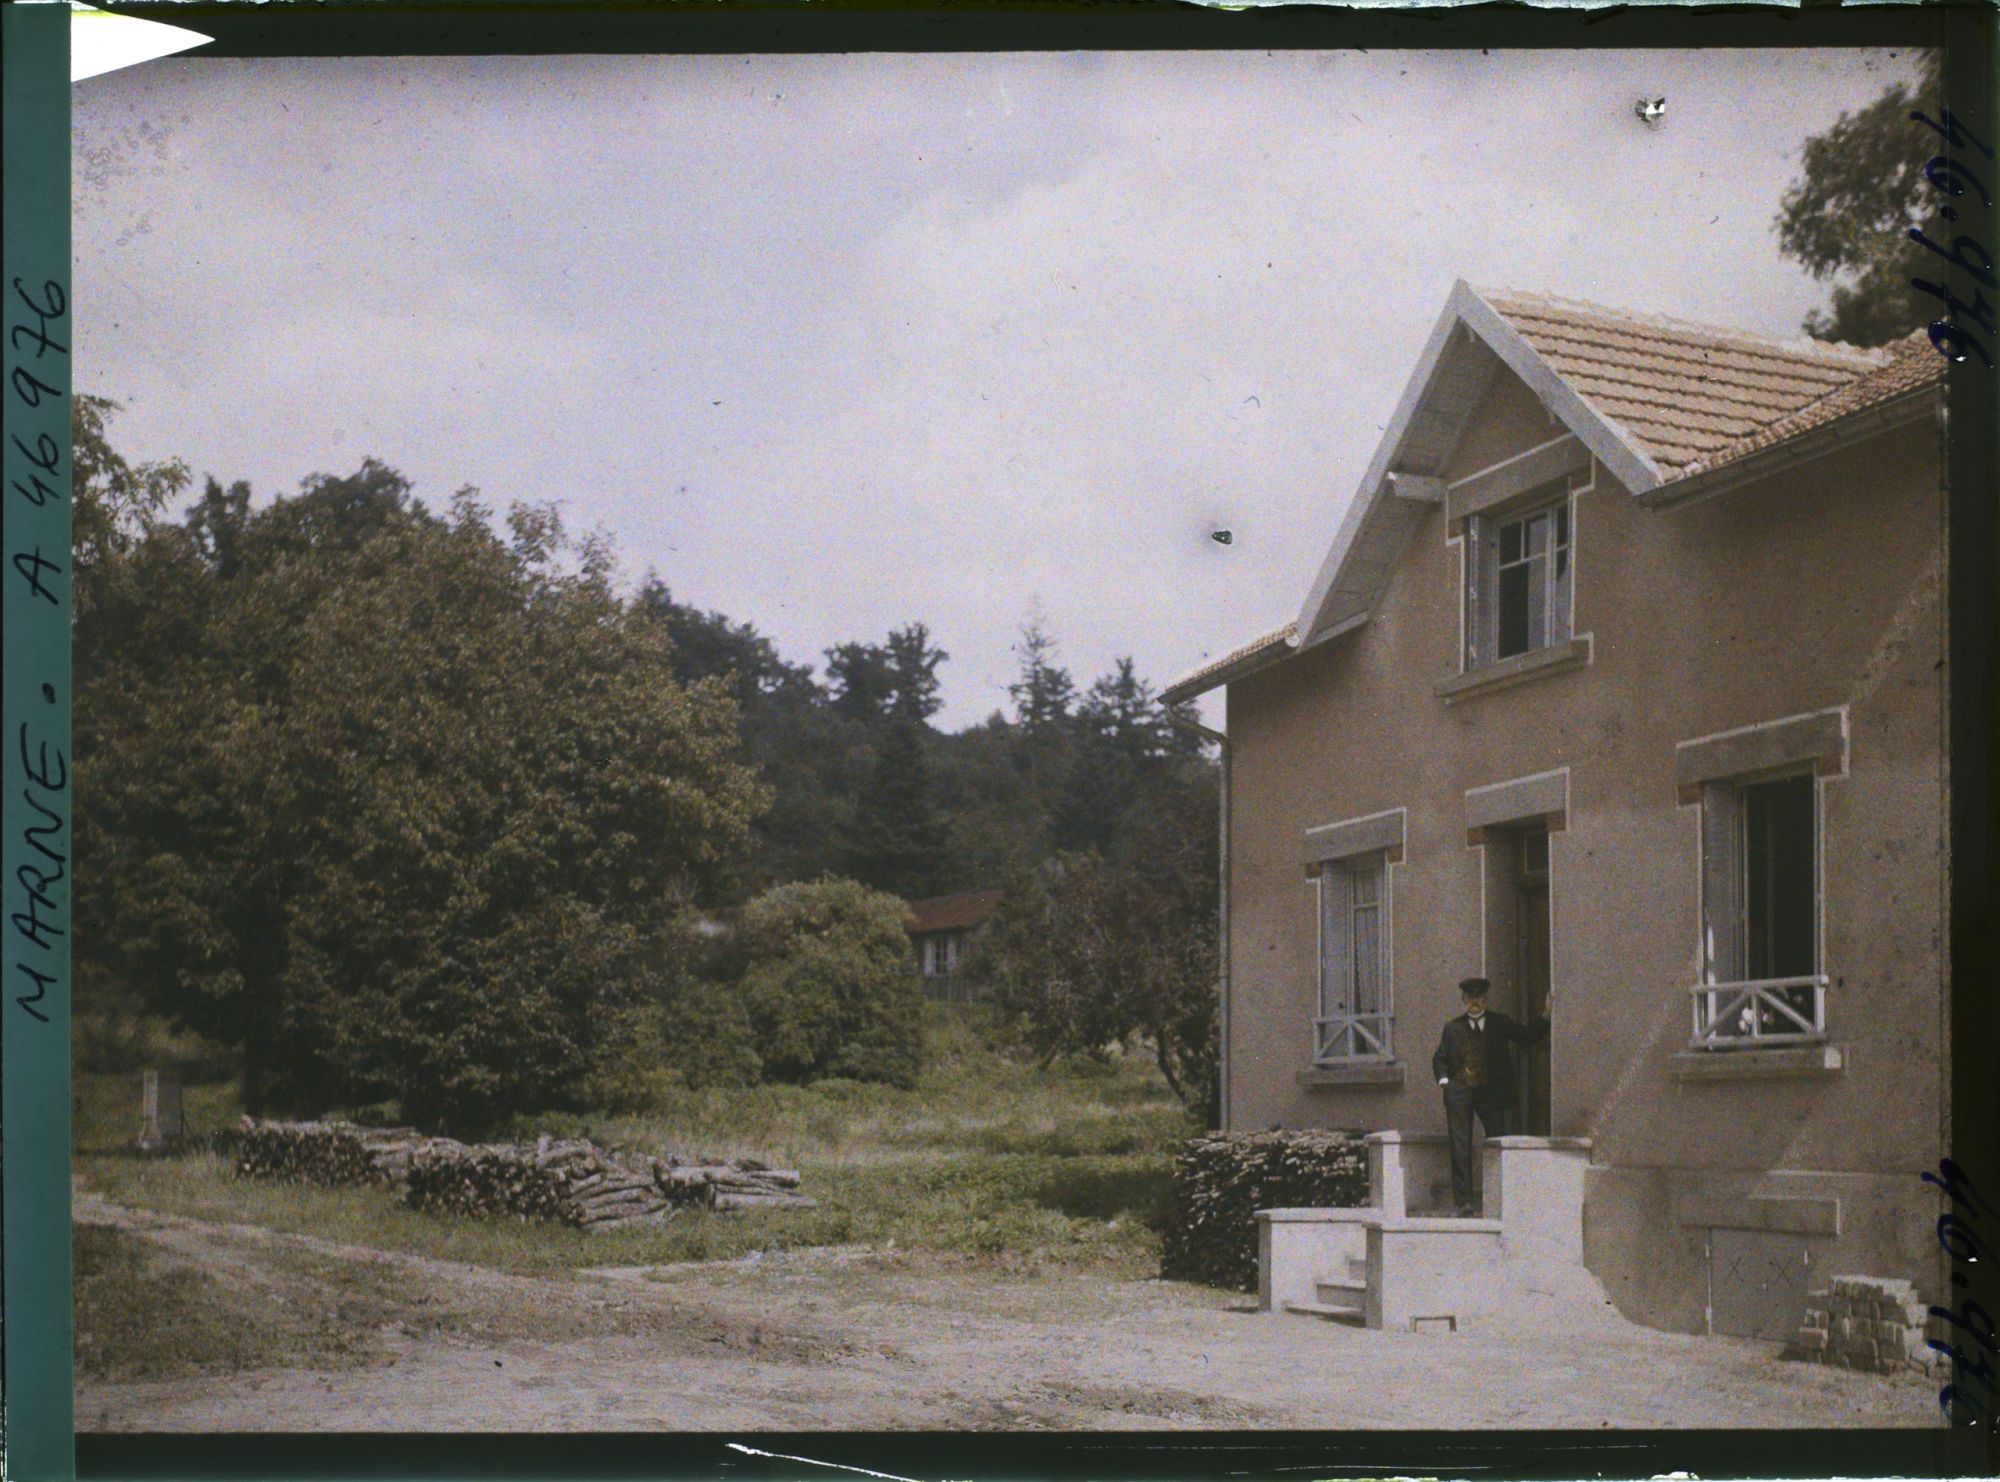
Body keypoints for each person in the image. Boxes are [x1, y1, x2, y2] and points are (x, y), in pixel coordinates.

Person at [1432, 976, 1550, 1217]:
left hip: (1491, 1092)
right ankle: (1464, 1203)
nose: (1474, 1002)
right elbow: (1440, 1058)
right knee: (1460, 1145)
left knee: (1498, 1141)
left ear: (1485, 999)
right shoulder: (1452, 1028)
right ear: (1464, 1000)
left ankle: (1500, 1198)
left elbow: (1526, 1037)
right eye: (1470, 998)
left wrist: (1546, 1016)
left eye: (1479, 998)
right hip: (1460, 1091)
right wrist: (1445, 1082)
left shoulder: (1499, 1023)